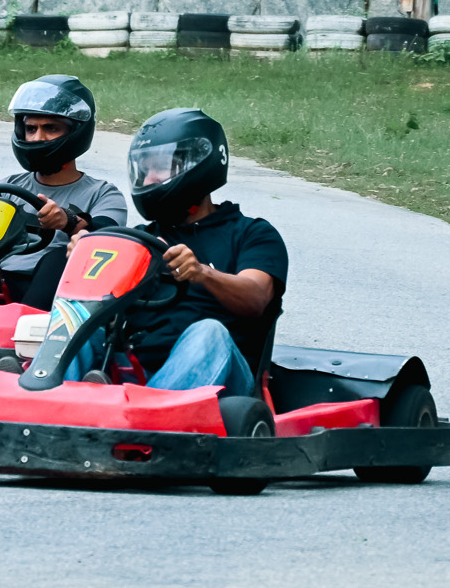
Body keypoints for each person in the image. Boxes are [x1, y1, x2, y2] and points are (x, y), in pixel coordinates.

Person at [68, 108, 286, 396]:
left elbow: (256, 298)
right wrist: (83, 259)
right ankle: (42, 405)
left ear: (198, 164)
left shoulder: (252, 233)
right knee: (78, 322)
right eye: (144, 170)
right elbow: (100, 304)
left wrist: (203, 273)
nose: (147, 180)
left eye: (159, 167)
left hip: (224, 380)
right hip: (137, 369)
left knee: (209, 332)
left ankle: (137, 417)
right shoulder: (141, 237)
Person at [0, 75, 127, 309]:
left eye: (51, 128)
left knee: (56, 258)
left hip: (57, 291)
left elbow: (107, 238)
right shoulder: (7, 187)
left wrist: (68, 221)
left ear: (76, 132)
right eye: (31, 128)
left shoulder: (103, 194)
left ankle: (26, 332)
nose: (37, 138)